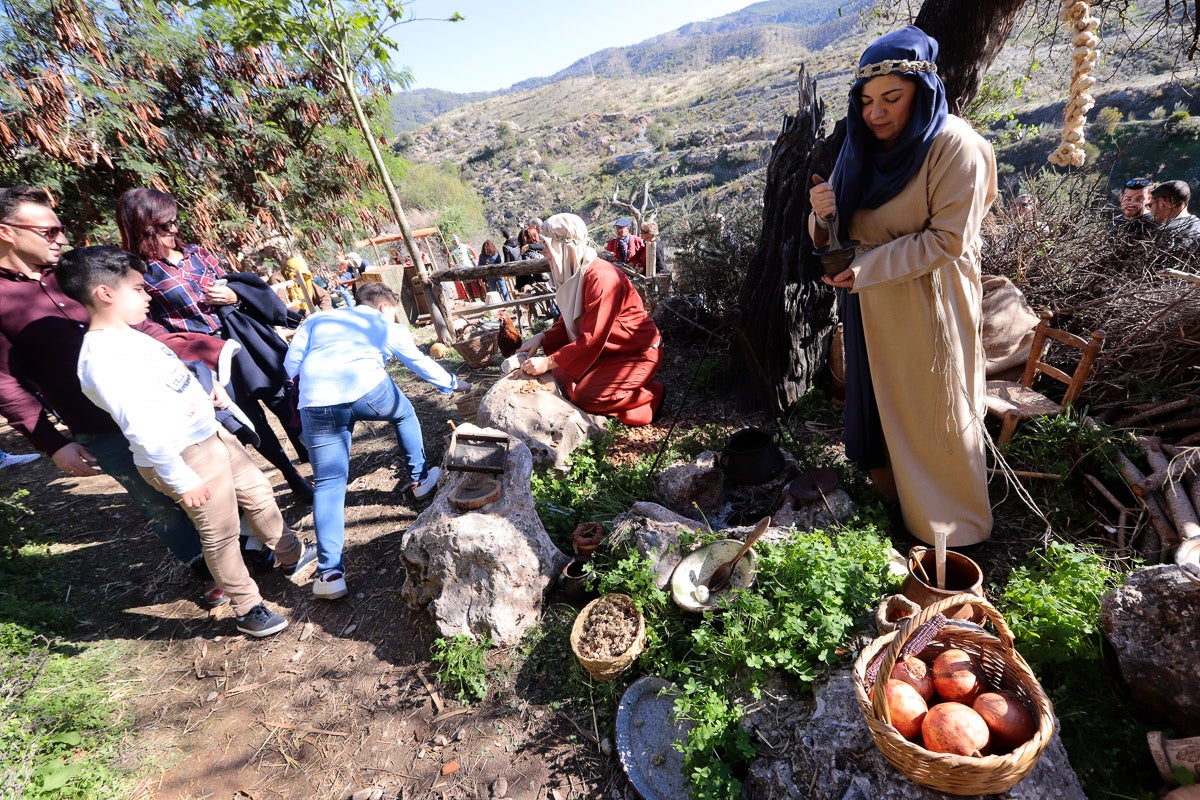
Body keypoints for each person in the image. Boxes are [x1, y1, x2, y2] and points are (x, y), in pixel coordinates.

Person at [57, 245, 317, 637]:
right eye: (138, 289)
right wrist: (179, 478)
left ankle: (290, 554)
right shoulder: (104, 358)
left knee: (259, 495)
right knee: (221, 532)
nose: (148, 296)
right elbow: (140, 425)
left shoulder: (132, 336)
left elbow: (171, 379)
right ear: (105, 294)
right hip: (182, 454)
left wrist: (209, 392)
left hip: (209, 435)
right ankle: (247, 607)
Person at [808, 25, 996, 548]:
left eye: (892, 97)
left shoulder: (956, 146)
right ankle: (894, 499)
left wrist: (864, 269)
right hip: (870, 302)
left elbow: (947, 239)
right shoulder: (859, 148)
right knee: (878, 399)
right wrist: (822, 218)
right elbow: (843, 230)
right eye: (866, 101)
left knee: (931, 406)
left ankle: (951, 528)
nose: (876, 112)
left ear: (923, 91)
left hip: (926, 299)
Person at [0, 186, 229, 606]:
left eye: (61, 228)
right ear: (7, 232)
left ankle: (234, 550)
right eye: (49, 230)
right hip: (98, 426)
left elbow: (144, 323)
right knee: (156, 502)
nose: (61, 238)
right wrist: (52, 444)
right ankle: (203, 565)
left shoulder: (81, 270)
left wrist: (196, 364)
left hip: (165, 407)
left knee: (204, 478)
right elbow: (7, 385)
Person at [116, 189, 313, 502]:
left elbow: (230, 283)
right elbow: (148, 324)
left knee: (283, 398)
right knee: (248, 421)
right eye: (165, 225)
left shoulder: (197, 253)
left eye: (175, 222)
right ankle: (291, 476)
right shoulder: (140, 273)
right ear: (144, 228)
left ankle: (314, 458)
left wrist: (234, 296)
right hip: (206, 358)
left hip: (245, 342)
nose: (175, 230)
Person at [283, 281, 469, 600]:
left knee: (328, 483)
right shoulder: (382, 323)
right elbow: (417, 361)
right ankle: (419, 479)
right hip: (368, 389)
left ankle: (330, 574)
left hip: (317, 402)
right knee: (405, 414)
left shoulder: (317, 319)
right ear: (384, 307)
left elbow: (290, 365)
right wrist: (452, 383)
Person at [517, 213, 664, 426]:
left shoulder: (601, 277)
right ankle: (605, 382)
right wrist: (542, 337)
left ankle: (651, 396)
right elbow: (572, 318)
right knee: (560, 376)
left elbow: (592, 336)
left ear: (564, 247)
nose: (545, 253)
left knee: (586, 397)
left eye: (548, 246)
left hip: (638, 354)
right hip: (609, 351)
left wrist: (548, 361)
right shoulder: (577, 273)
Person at [1150, 180, 1200, 247]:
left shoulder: (1164, 233)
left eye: (1150, 205)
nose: (1150, 210)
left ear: (1162, 202)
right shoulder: (1197, 225)